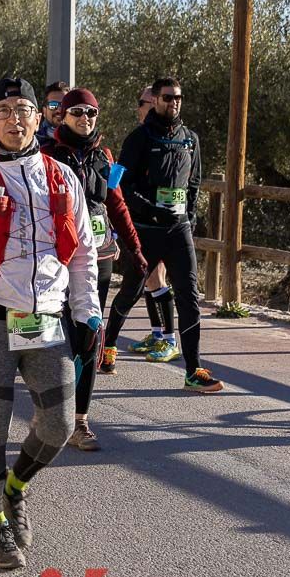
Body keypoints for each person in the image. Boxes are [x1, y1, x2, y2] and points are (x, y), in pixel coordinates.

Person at [0, 76, 100, 571]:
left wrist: (86, 312)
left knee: (59, 423)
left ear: (39, 117)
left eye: (23, 109)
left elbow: (83, 253)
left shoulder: (63, 178)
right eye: (3, 110)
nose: (14, 119)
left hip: (47, 319)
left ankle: (15, 488)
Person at [101, 77, 224, 393]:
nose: (174, 103)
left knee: (190, 297)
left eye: (178, 98)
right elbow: (117, 183)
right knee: (130, 290)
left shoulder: (190, 139)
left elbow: (193, 183)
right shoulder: (139, 138)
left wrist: (190, 216)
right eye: (168, 97)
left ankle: (194, 370)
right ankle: (108, 347)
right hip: (146, 230)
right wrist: (146, 208)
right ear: (155, 100)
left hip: (178, 229)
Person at [41, 88, 147, 451]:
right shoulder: (48, 157)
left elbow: (116, 203)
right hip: (60, 260)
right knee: (59, 339)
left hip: (100, 258)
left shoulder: (104, 156)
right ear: (63, 117)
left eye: (91, 113)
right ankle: (53, 410)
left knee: (90, 333)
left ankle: (80, 420)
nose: (85, 119)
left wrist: (134, 247)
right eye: (78, 113)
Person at [117, 85, 175, 367]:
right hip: (141, 219)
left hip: (160, 222)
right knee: (152, 279)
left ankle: (170, 338)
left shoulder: (165, 138)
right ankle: (156, 333)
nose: (142, 108)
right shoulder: (141, 137)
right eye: (143, 103)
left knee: (155, 279)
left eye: (145, 103)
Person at [35, 81, 68, 149]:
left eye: (64, 105)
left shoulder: (82, 142)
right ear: (44, 111)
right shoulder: (34, 143)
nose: (59, 110)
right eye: (53, 105)